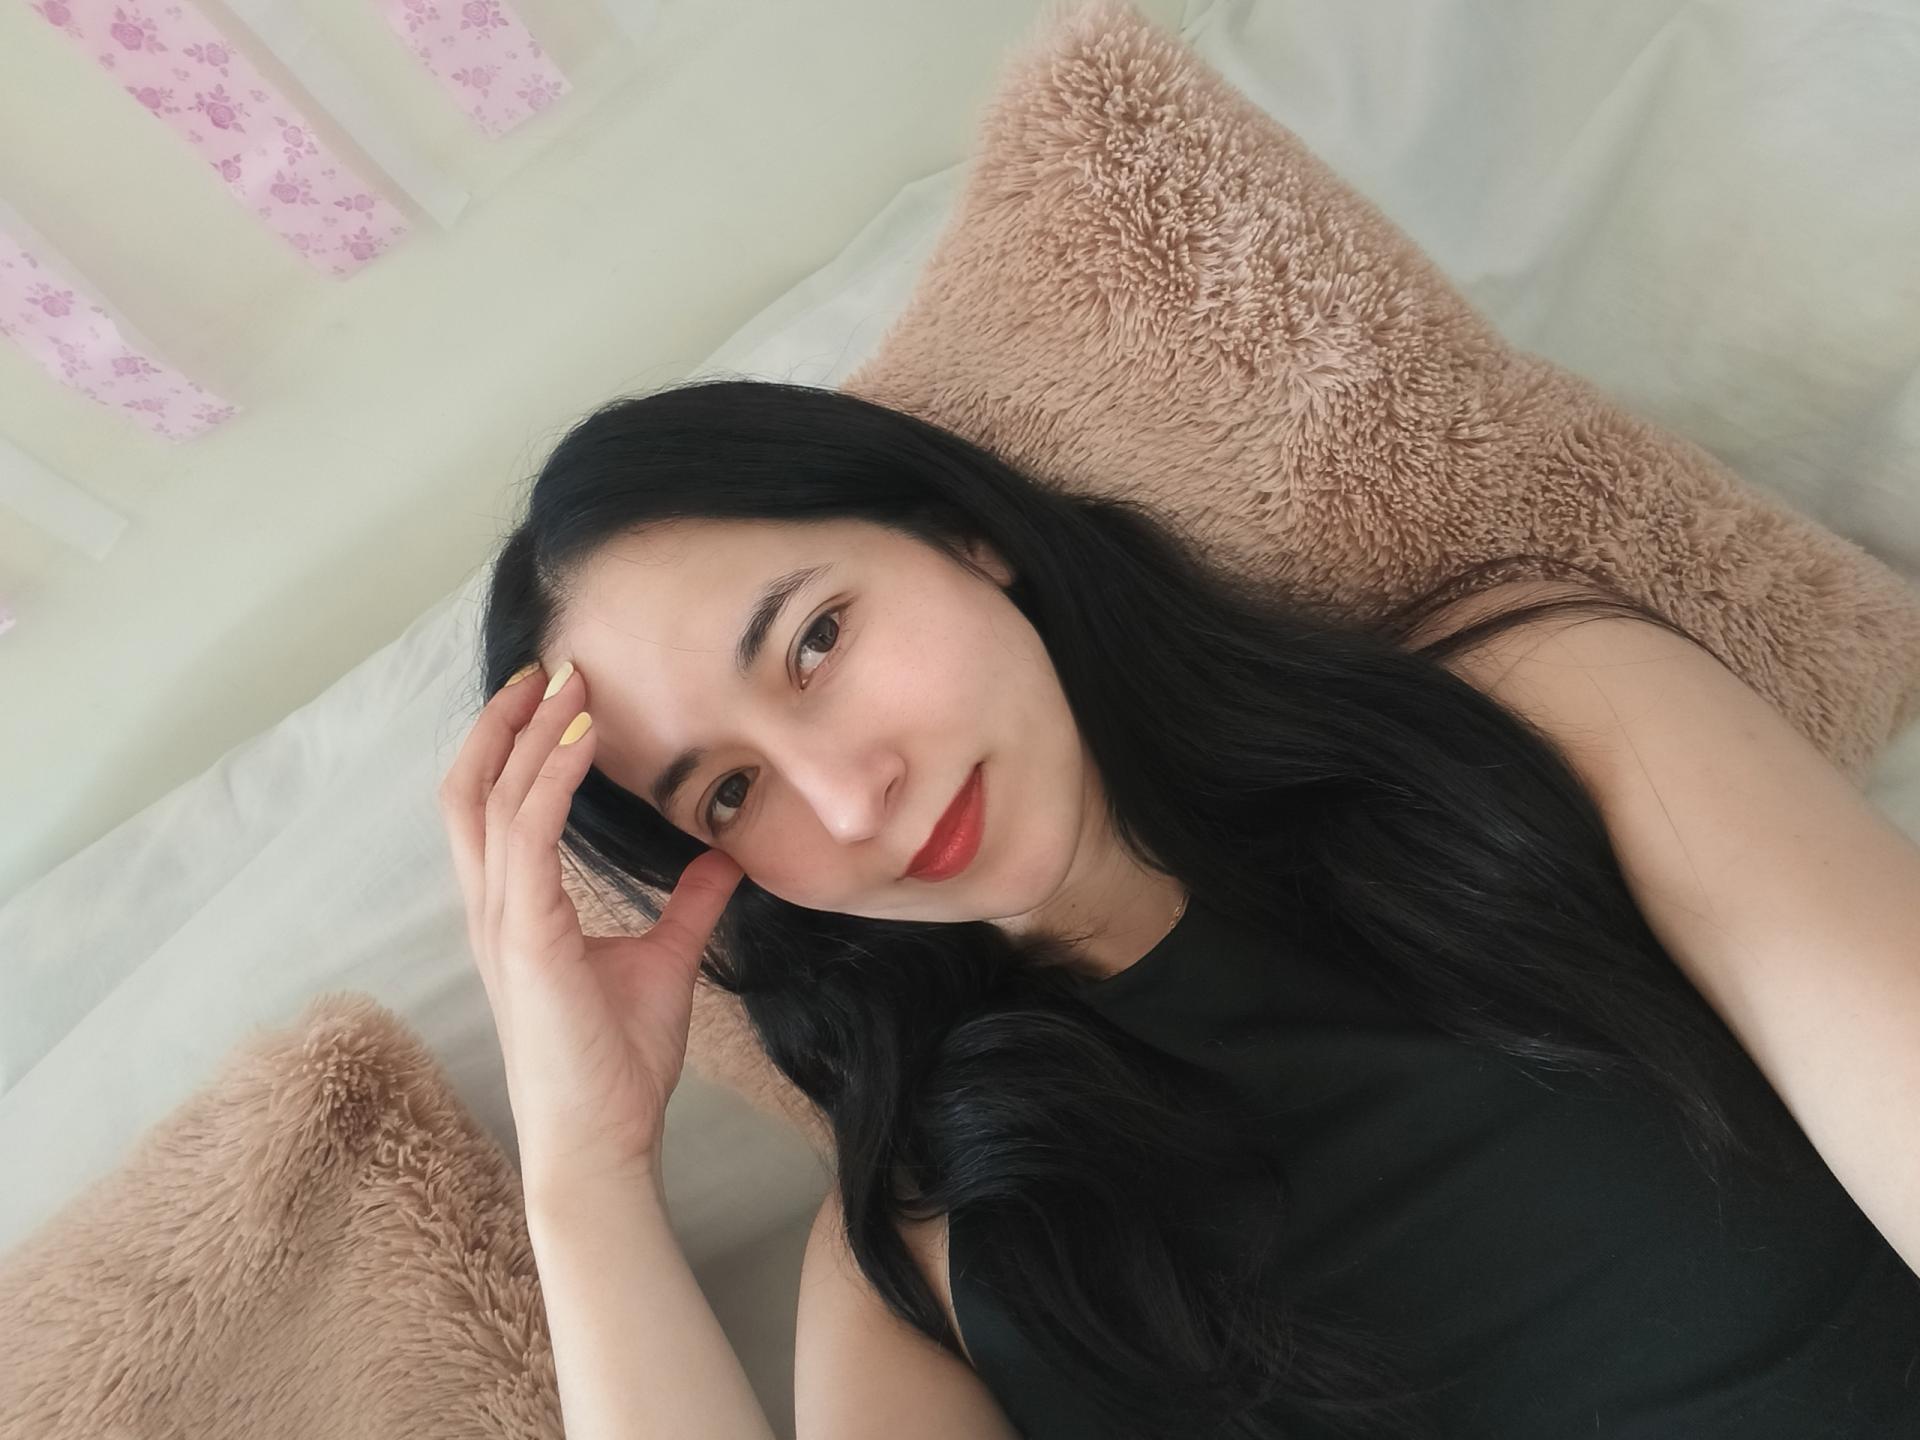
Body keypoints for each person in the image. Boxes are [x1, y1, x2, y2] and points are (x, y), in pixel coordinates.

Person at [439, 377, 1920, 1439]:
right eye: (728, 794)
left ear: (959, 531)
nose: (847, 800)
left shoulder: (1536, 715)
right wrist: (586, 1174)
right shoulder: (921, 1254)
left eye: (816, 639)